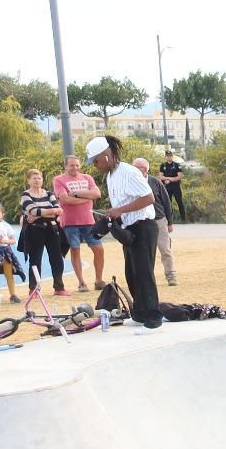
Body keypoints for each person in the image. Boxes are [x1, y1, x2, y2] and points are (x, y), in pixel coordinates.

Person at [88, 135, 164, 330]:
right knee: (132, 273)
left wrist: (120, 210)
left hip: (144, 227)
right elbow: (122, 205)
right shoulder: (111, 176)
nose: (95, 165)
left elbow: (148, 198)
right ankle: (139, 314)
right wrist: (112, 215)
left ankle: (153, 318)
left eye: (96, 160)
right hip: (129, 228)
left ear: (106, 156)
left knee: (144, 273)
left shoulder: (129, 172)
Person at [53, 154, 102, 290]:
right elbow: (65, 199)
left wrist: (75, 194)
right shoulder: (59, 180)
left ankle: (99, 280)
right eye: (71, 165)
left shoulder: (87, 178)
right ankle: (81, 282)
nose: (75, 168)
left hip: (89, 220)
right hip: (70, 222)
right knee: (75, 250)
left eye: (77, 165)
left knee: (99, 249)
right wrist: (87, 197)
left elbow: (97, 194)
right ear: (65, 166)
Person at [18, 168, 68, 295]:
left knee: (56, 257)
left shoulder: (49, 193)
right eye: (34, 178)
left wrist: (40, 213)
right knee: (35, 259)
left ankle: (59, 287)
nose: (37, 180)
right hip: (35, 230)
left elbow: (59, 209)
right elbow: (32, 210)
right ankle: (34, 289)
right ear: (28, 180)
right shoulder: (25, 195)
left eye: (39, 178)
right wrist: (47, 212)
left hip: (51, 228)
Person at [134, 158, 179, 287]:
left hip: (159, 220)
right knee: (145, 252)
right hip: (141, 222)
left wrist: (169, 222)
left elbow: (166, 202)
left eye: (137, 168)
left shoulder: (155, 182)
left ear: (144, 170)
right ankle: (146, 279)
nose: (134, 170)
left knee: (165, 249)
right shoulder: (131, 182)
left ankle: (171, 276)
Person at [0, 204, 23, 304]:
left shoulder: (5, 226)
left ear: (2, 214)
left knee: (9, 274)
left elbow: (13, 240)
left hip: (6, 250)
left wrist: (6, 241)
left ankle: (13, 295)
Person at [159, 150, 186, 219]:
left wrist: (169, 179)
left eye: (170, 156)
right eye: (167, 156)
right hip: (167, 187)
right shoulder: (163, 165)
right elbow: (160, 176)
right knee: (168, 203)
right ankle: (170, 219)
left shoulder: (177, 165)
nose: (169, 157)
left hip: (176, 186)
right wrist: (167, 179)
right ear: (165, 157)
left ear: (172, 156)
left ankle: (183, 219)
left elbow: (180, 176)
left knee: (179, 202)